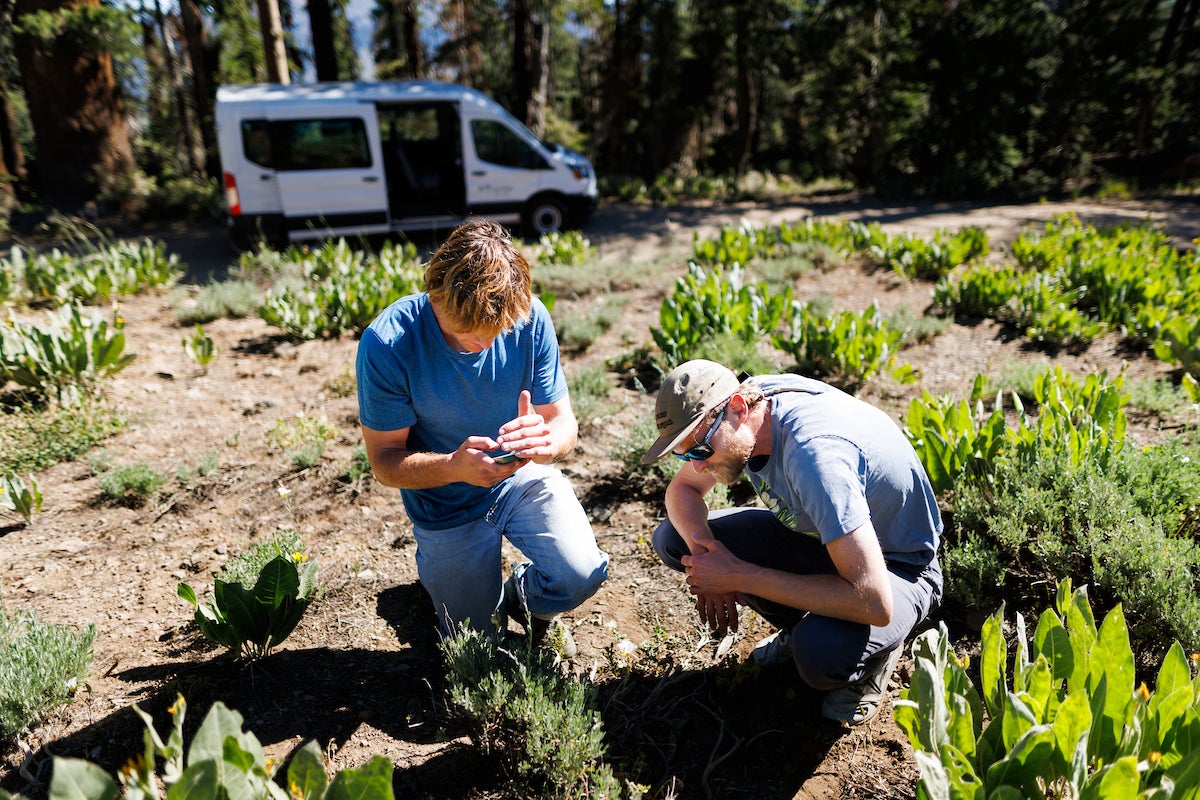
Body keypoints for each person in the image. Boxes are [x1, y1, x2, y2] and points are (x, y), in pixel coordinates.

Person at [641, 360, 942, 726]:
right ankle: (806, 620)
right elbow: (683, 490)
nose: (697, 466)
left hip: (898, 569)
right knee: (677, 538)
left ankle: (873, 660)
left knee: (821, 654)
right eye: (684, 454)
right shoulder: (749, 409)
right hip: (824, 542)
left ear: (737, 408)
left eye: (700, 451)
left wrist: (737, 576)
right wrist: (707, 553)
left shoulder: (816, 459)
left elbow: (874, 602)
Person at [355, 218, 608, 654]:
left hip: (520, 479)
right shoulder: (388, 343)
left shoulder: (528, 317)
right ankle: (442, 587)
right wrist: (453, 466)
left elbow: (564, 422)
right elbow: (384, 461)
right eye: (468, 333)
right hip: (445, 503)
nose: (486, 342)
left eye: (497, 331)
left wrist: (549, 441)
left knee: (581, 574)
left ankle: (522, 598)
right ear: (434, 292)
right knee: (476, 648)